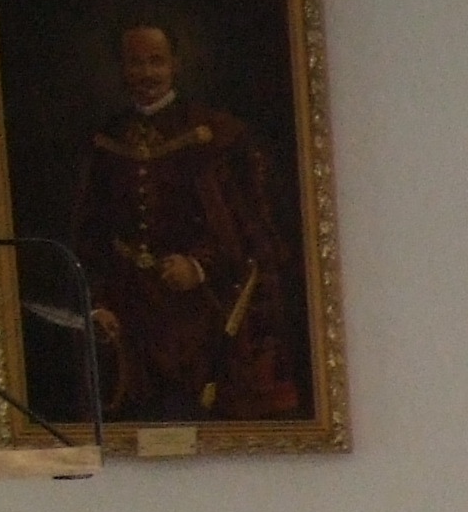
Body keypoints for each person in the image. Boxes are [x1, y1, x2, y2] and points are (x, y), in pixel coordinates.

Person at [67, 21, 301, 421]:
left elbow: (245, 230)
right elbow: (91, 233)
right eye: (135, 63)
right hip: (128, 309)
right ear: (122, 68)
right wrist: (98, 302)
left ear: (175, 64)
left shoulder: (215, 133)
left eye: (156, 61)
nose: (146, 73)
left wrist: (198, 265)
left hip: (201, 309)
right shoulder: (106, 139)